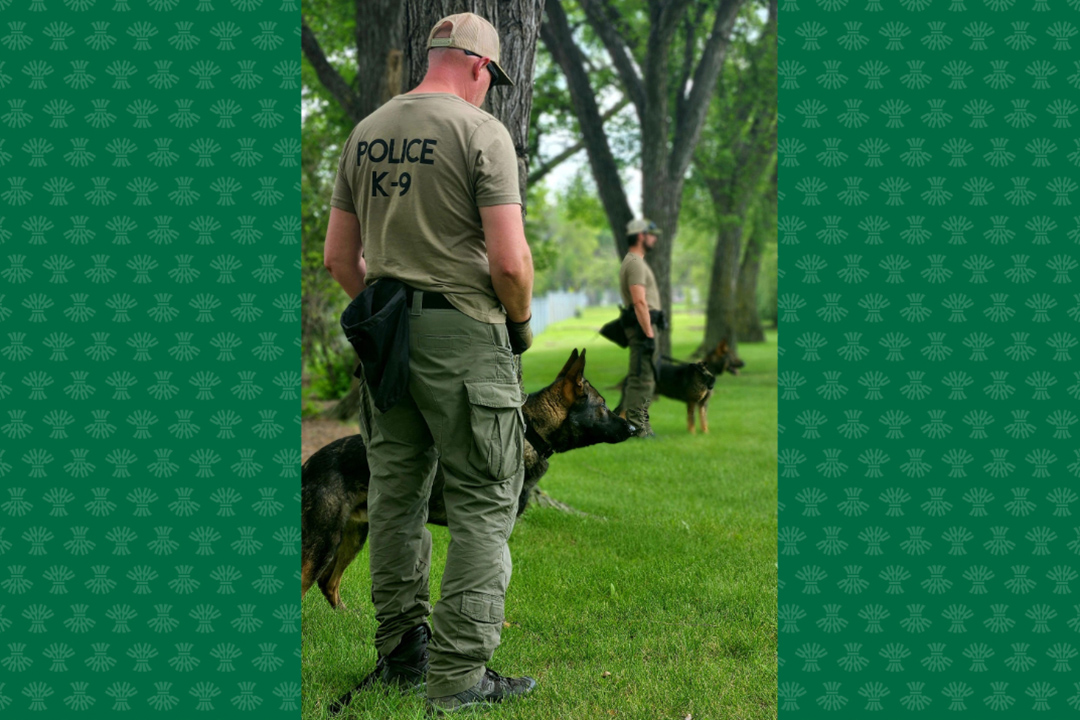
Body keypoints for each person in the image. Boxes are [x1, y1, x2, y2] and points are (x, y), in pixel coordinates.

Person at [322, 11, 537, 714]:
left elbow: (337, 259)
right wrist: (521, 323)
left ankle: (402, 653)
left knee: (395, 498)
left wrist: (385, 315)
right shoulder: (481, 132)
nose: (489, 90)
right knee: (483, 501)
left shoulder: (366, 132)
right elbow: (509, 261)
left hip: (387, 344)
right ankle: (461, 679)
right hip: (464, 335)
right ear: (480, 66)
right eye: (492, 80)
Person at [618, 218, 664, 438]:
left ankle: (639, 425)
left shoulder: (636, 261)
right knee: (642, 379)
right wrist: (648, 332)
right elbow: (639, 301)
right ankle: (637, 428)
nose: (655, 238)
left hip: (643, 325)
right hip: (641, 327)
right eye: (651, 234)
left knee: (643, 377)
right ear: (640, 236)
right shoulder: (635, 263)